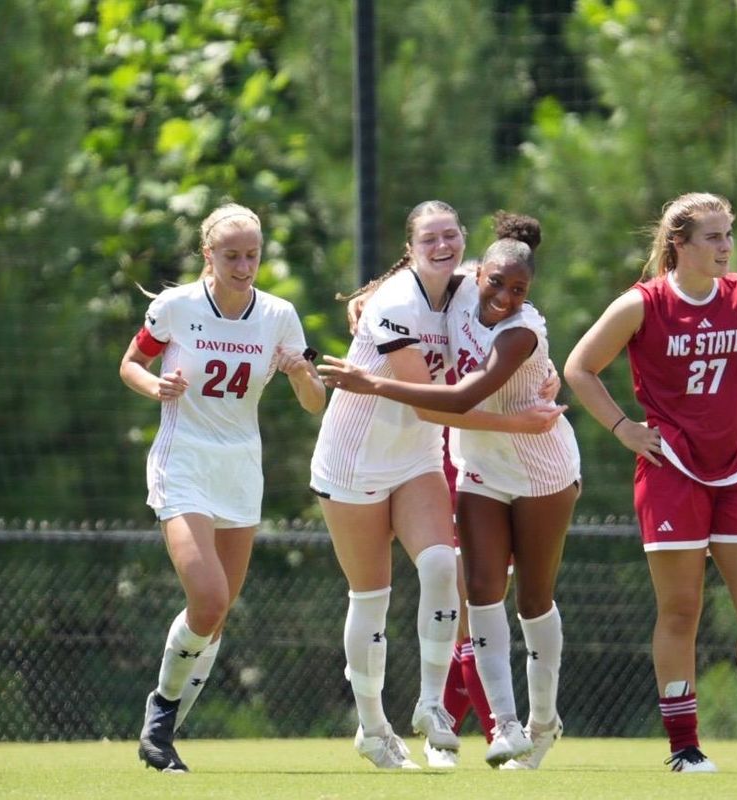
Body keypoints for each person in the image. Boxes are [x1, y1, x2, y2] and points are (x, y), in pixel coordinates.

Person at [564, 193, 737, 774]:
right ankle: (684, 747)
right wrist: (623, 427)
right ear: (678, 243)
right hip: (671, 471)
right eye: (712, 236)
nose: (725, 246)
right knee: (681, 610)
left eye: (728, 234)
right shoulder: (644, 304)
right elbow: (578, 366)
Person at [310, 201, 564, 770]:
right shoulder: (394, 302)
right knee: (371, 597)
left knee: (442, 567)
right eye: (430, 237)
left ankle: (431, 704)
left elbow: (513, 303)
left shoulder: (468, 284)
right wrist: (514, 423)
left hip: (416, 459)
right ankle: (374, 728)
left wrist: (539, 366)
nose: (442, 245)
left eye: (451, 235)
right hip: (354, 458)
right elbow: (434, 406)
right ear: (411, 245)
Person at [119, 203, 326, 773]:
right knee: (207, 600)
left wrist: (301, 373)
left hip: (240, 469)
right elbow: (131, 363)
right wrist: (155, 385)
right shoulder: (177, 306)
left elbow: (315, 404)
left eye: (252, 254)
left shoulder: (279, 315)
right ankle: (161, 718)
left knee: (219, 613)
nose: (243, 265)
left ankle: (160, 735)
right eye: (231, 255)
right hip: (183, 461)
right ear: (208, 255)